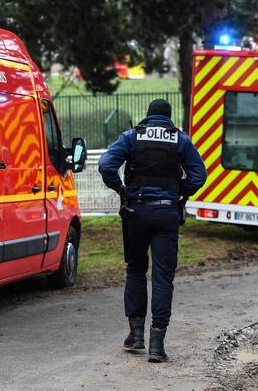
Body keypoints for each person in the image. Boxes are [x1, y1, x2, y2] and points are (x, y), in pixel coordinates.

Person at [98, 99, 207, 363]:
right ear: (168, 118)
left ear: (148, 116)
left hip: (137, 212)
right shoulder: (179, 140)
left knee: (136, 270)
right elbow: (199, 176)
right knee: (162, 277)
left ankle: (136, 337)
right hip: (167, 214)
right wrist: (180, 190)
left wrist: (121, 190)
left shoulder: (132, 136)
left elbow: (105, 165)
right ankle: (157, 345)